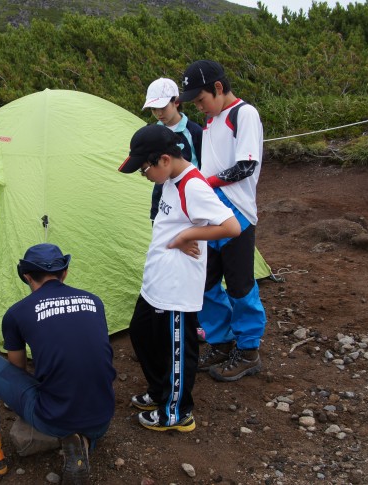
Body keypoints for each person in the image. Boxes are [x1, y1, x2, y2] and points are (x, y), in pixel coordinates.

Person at [118, 124, 240, 431]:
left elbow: (231, 226)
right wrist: (181, 235)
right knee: (142, 334)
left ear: (163, 160)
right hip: (156, 281)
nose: (143, 175)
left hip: (176, 287)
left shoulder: (193, 186)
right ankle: (160, 391)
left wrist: (188, 234)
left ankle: (176, 411)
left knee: (176, 349)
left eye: (144, 168)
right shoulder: (172, 179)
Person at [0, 243, 116, 484]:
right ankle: (84, 440)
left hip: (53, 418)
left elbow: (18, 369)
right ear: (64, 273)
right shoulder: (94, 301)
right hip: (102, 418)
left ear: (26, 276)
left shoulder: (17, 313)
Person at [178, 60, 267, 382]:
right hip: (212, 212)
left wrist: (202, 183)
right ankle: (221, 340)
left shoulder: (244, 114)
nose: (199, 106)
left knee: (241, 286)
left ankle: (248, 350)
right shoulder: (212, 120)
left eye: (200, 99)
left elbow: (245, 166)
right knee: (206, 282)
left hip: (238, 214)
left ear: (218, 87)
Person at [143, 77, 203, 221]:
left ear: (176, 102)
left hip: (190, 199)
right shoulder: (151, 132)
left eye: (162, 108)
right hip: (161, 200)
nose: (158, 113)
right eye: (153, 109)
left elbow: (203, 164)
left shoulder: (194, 131)